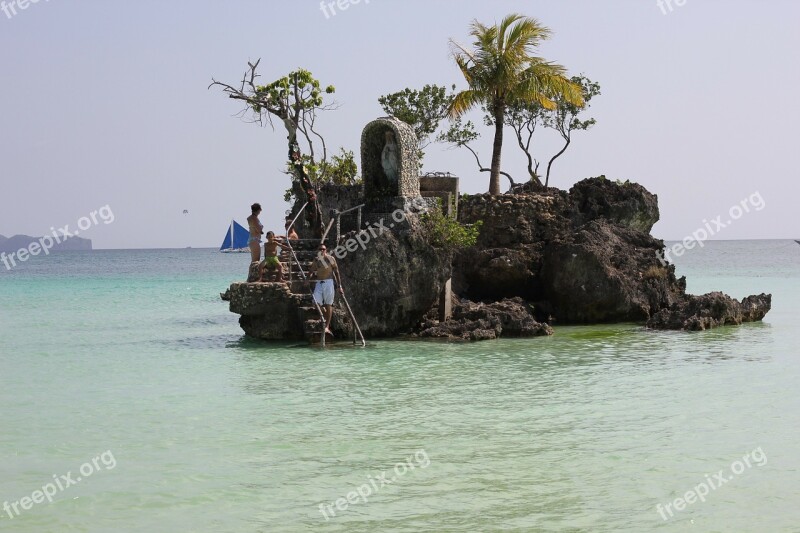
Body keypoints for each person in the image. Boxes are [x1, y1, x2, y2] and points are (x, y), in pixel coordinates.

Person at [310, 244, 344, 335]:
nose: (322, 250)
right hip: (319, 282)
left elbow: (336, 272)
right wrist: (306, 279)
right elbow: (311, 270)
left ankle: (327, 326)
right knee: (315, 303)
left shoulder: (330, 259)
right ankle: (324, 313)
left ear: (326, 250)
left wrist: (339, 286)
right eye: (320, 249)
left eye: (323, 249)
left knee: (329, 304)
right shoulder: (316, 260)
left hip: (329, 282)